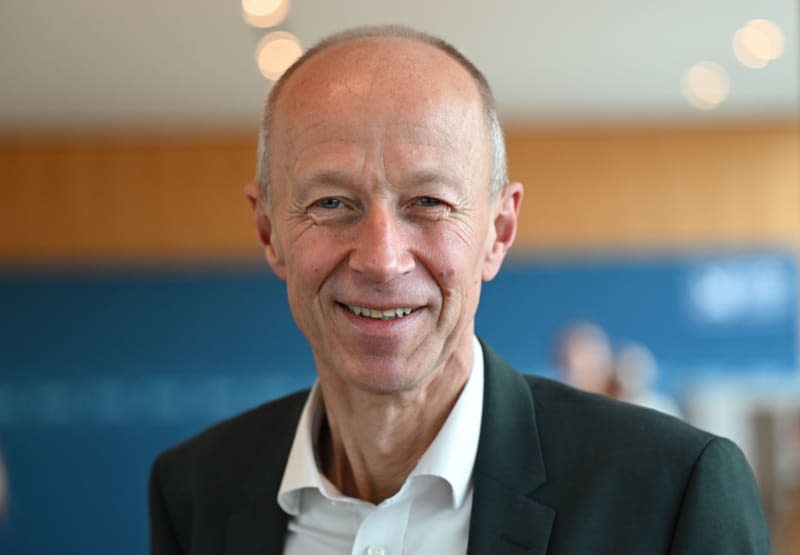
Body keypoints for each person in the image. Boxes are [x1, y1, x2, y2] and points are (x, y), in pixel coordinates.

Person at [149, 25, 769, 554]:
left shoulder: (670, 493)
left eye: (428, 202)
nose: (382, 259)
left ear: (498, 232)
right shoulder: (197, 490)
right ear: (268, 229)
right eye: (332, 203)